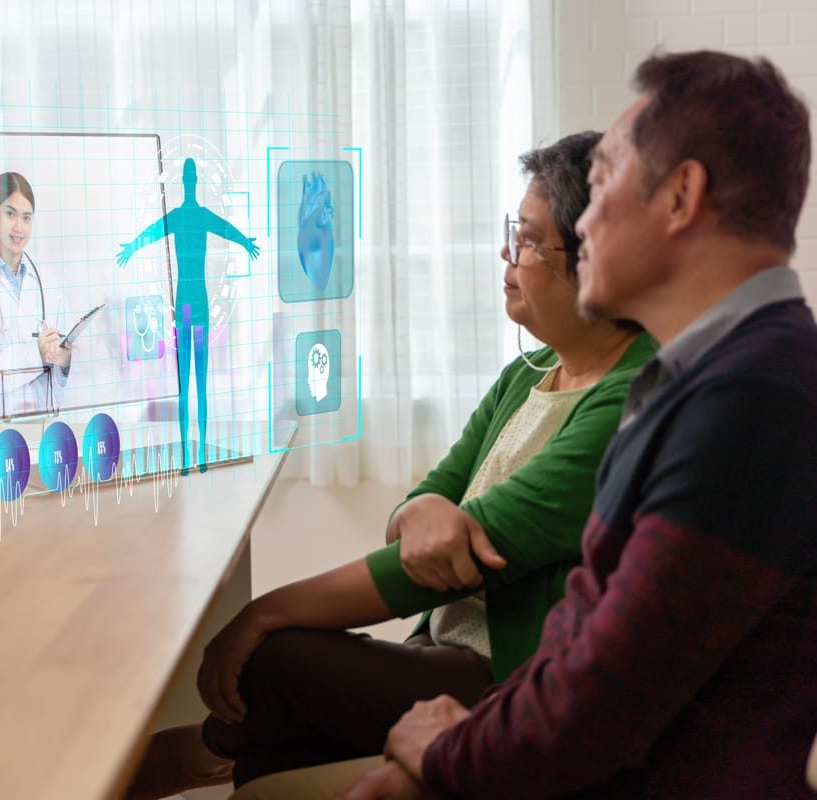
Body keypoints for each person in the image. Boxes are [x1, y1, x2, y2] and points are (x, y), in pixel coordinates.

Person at [317, 49, 817, 800]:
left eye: (605, 179)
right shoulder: (692, 379)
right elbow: (579, 632)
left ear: (681, 196)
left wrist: (448, 758)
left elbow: (608, 694)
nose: (582, 222)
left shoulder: (755, 398)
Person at [122, 131, 657, 799]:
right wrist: (425, 511)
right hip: (440, 650)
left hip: (507, 680)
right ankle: (224, 760)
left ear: (594, 264)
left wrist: (262, 613)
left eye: (526, 240)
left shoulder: (633, 397)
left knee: (276, 655)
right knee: (274, 754)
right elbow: (423, 507)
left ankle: (202, 753)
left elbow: (442, 565)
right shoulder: (528, 375)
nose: (505, 253)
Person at [116, 157, 260, 474]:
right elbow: (153, 232)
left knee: (200, 385)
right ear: (187, 182)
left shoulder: (189, 216)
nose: (192, 181)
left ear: (189, 181)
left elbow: (226, 230)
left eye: (192, 177)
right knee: (187, 387)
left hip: (194, 304)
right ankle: (186, 457)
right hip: (187, 304)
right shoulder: (183, 216)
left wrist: (245, 241)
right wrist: (131, 247)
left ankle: (199, 457)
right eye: (190, 177)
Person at [0, 172, 72, 418]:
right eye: (10, 214)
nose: (19, 227)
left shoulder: (48, 284)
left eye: (26, 218)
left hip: (47, 422)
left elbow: (68, 370)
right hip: (1, 426)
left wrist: (64, 358)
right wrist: (36, 354)